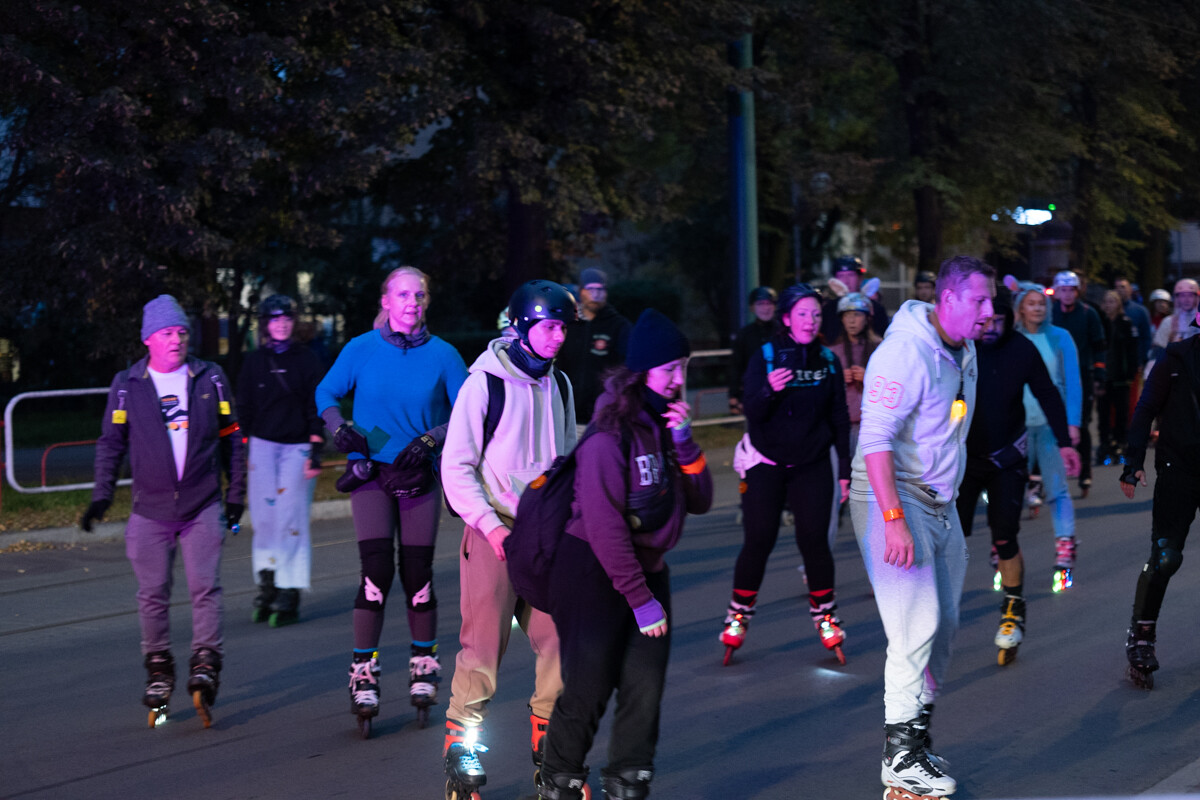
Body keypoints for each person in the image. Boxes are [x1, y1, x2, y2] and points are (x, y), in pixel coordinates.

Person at [537, 309, 713, 800]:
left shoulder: (666, 426)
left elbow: (700, 500)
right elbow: (604, 525)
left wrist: (685, 442)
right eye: (669, 370)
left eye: (684, 367)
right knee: (588, 688)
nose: (679, 380)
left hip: (648, 571)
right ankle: (559, 780)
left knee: (645, 688)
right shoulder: (609, 433)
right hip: (592, 570)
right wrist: (639, 598)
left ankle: (628, 781)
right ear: (641, 372)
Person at [849, 255, 994, 798]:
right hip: (891, 496)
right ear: (947, 299)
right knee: (916, 624)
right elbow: (875, 442)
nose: (989, 311)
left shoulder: (965, 348)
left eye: (992, 300)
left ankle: (917, 741)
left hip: (940, 502)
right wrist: (893, 521)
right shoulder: (903, 353)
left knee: (946, 629)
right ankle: (900, 754)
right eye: (979, 300)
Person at [81, 294, 246, 728]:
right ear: (148, 338)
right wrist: (101, 496)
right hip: (149, 509)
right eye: (167, 333)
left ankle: (205, 662)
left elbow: (232, 438)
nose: (176, 340)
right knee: (152, 594)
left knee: (204, 588)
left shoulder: (210, 378)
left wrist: (236, 496)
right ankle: (159, 670)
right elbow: (110, 444)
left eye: (181, 332)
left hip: (202, 503)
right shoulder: (127, 384)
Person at [315, 266, 468, 733]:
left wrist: (432, 438)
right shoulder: (360, 348)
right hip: (371, 471)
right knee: (377, 571)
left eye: (419, 295)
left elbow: (469, 409)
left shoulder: (444, 355)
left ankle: (424, 663)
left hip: (419, 471)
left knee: (418, 573)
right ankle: (363, 670)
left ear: (427, 302)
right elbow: (326, 391)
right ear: (386, 300)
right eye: (403, 294)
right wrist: (338, 427)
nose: (412, 302)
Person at [441, 280, 578, 795]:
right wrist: (492, 525)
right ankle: (464, 757)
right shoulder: (485, 385)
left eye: (564, 327)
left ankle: (552, 753)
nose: (558, 336)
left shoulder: (559, 385)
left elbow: (565, 460)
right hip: (493, 533)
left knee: (561, 643)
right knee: (482, 654)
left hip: (545, 538)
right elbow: (456, 469)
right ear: (521, 327)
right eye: (549, 326)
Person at [721, 284, 852, 665]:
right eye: (802, 315)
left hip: (811, 465)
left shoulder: (828, 360)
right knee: (759, 539)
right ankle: (738, 615)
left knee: (814, 541)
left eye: (815, 314)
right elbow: (752, 411)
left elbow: (839, 419)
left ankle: (826, 616)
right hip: (766, 463)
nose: (810, 321)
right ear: (786, 319)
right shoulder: (766, 356)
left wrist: (844, 470)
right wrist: (769, 391)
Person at [955, 285, 1077, 665]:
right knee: (949, 538)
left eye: (998, 320)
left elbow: (1048, 394)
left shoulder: (1021, 351)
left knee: (1005, 533)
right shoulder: (962, 350)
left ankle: (1012, 610)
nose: (990, 326)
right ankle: (935, 611)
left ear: (1009, 320)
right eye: (985, 319)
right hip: (963, 459)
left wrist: (1066, 441)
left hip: (1008, 457)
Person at [1119, 307, 1200, 689]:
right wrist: (1133, 461)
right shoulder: (1175, 359)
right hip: (1179, 467)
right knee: (1166, 555)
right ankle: (1141, 636)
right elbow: (1146, 408)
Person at [236, 294, 325, 627]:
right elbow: (242, 405)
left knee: (291, 518)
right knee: (264, 519)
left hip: (297, 448)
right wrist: (241, 444)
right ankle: (268, 583)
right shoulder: (254, 362)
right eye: (274, 319)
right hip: (261, 446)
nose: (282, 324)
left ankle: (290, 590)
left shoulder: (308, 361)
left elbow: (317, 405)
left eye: (287, 318)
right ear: (265, 324)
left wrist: (316, 448)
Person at [1013, 282, 1082, 592]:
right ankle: (1003, 546)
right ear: (1020, 308)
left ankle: (1065, 547)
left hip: (1051, 426)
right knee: (1009, 489)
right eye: (1031, 303)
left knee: (1057, 489)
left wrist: (1073, 423)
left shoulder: (1060, 337)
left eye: (1041, 303)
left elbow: (1073, 382)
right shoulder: (1011, 338)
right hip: (1016, 425)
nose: (1037, 308)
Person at [1051, 270, 1106, 497]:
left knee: (1080, 424)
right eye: (1063, 290)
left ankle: (1085, 473)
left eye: (1071, 290)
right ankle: (1050, 474)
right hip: (1053, 376)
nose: (1067, 294)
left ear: (1077, 291)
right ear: (1057, 292)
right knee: (1051, 426)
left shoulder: (1088, 313)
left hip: (1082, 376)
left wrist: (1100, 374)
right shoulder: (1049, 313)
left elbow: (1100, 345)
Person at [556, 267, 632, 427]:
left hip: (604, 418)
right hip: (568, 417)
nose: (595, 295)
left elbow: (626, 368)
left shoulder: (618, 326)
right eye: (590, 289)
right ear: (581, 291)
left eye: (600, 289)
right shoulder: (567, 325)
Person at [1096, 289, 1138, 466]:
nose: (1109, 305)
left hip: (1121, 377)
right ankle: (1105, 443)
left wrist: (1130, 373)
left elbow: (1132, 351)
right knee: (1103, 413)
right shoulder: (1099, 323)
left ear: (1119, 304)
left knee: (1121, 413)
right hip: (1104, 376)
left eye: (1112, 301)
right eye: (1106, 301)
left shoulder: (1126, 323)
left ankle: (1121, 442)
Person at [727, 286, 780, 416]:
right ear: (752, 307)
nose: (765, 308)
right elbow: (736, 366)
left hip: (782, 391)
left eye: (769, 303)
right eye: (760, 304)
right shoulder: (745, 335)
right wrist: (734, 395)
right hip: (755, 392)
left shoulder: (783, 331)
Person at [821, 255, 889, 341]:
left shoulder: (876, 308)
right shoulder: (828, 309)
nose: (846, 280)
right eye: (841, 276)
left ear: (860, 278)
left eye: (851, 275)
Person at [1150, 279, 1199, 356]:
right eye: (1182, 295)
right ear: (1177, 298)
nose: (1187, 300)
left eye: (1190, 295)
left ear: (1197, 298)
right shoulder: (1168, 321)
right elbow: (1158, 351)